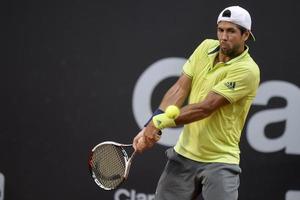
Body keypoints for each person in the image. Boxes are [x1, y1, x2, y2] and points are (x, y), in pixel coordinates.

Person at [132, 5, 260, 200]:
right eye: (221, 30)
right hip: (183, 156)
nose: (224, 36)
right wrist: (152, 121)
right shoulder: (205, 47)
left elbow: (206, 107)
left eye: (231, 31)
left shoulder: (248, 70)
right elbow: (179, 88)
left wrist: (160, 123)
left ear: (246, 35)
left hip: (220, 162)